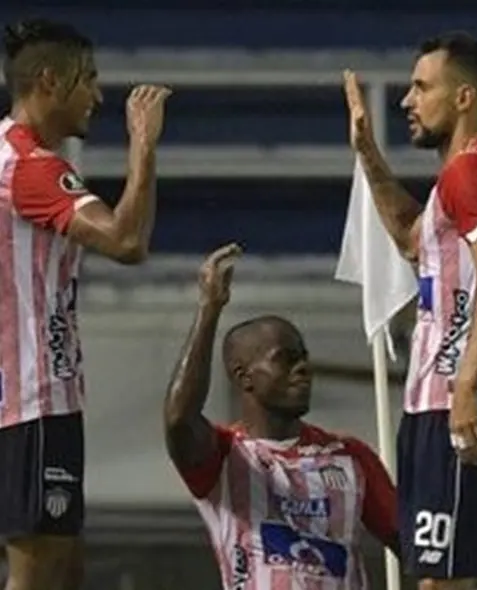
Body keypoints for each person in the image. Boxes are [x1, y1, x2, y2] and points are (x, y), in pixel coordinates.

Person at [343, 32, 477, 590]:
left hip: (456, 395)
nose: (407, 100)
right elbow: (409, 238)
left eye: (422, 87)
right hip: (469, 398)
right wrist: (368, 154)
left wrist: (464, 386)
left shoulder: (470, 170)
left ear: (465, 96)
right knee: (467, 575)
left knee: (443, 581)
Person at [0, 18, 169, 590]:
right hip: (33, 400)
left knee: (62, 567)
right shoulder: (33, 167)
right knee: (40, 572)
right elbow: (126, 241)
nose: (98, 95)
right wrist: (143, 146)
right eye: (89, 79)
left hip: (22, 395)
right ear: (50, 81)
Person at [163, 244, 399, 589]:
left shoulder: (350, 457)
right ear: (244, 376)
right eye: (285, 359)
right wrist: (209, 309)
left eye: (303, 358)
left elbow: (418, 549)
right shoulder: (223, 457)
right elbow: (178, 419)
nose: (303, 368)